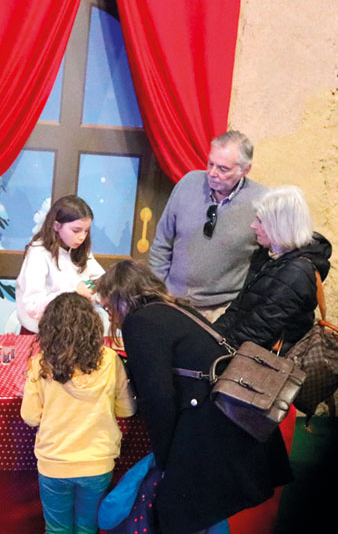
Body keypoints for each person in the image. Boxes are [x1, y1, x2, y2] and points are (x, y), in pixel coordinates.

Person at [95, 261, 292, 534]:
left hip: (205, 425)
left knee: (186, 514)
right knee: (209, 512)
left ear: (121, 298)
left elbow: (158, 396)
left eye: (109, 308)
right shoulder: (177, 309)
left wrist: (165, 459)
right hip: (227, 417)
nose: (112, 317)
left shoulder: (139, 322)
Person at [20, 293, 135, 534]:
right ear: (93, 328)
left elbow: (30, 417)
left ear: (49, 329)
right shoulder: (110, 359)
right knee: (88, 527)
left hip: (54, 462)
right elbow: (126, 410)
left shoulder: (40, 363)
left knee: (57, 529)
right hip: (98, 462)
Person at [149, 130, 267, 321]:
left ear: (245, 170)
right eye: (210, 164)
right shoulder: (188, 184)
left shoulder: (262, 201)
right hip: (172, 300)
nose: (212, 173)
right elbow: (162, 242)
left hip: (222, 310)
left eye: (223, 169)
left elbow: (267, 261)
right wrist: (157, 291)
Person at [214, 185, 331, 351]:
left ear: (279, 226)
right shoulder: (269, 254)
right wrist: (211, 334)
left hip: (261, 357)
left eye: (260, 221)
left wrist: (213, 349)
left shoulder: (297, 273)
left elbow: (256, 331)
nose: (253, 226)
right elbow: (237, 309)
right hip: (242, 344)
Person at [15, 195, 104, 333]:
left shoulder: (80, 251)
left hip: (75, 331)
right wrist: (75, 292)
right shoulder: (39, 253)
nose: (82, 237)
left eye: (86, 231)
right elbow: (33, 305)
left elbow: (101, 281)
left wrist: (94, 291)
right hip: (43, 333)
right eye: (76, 230)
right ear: (57, 226)